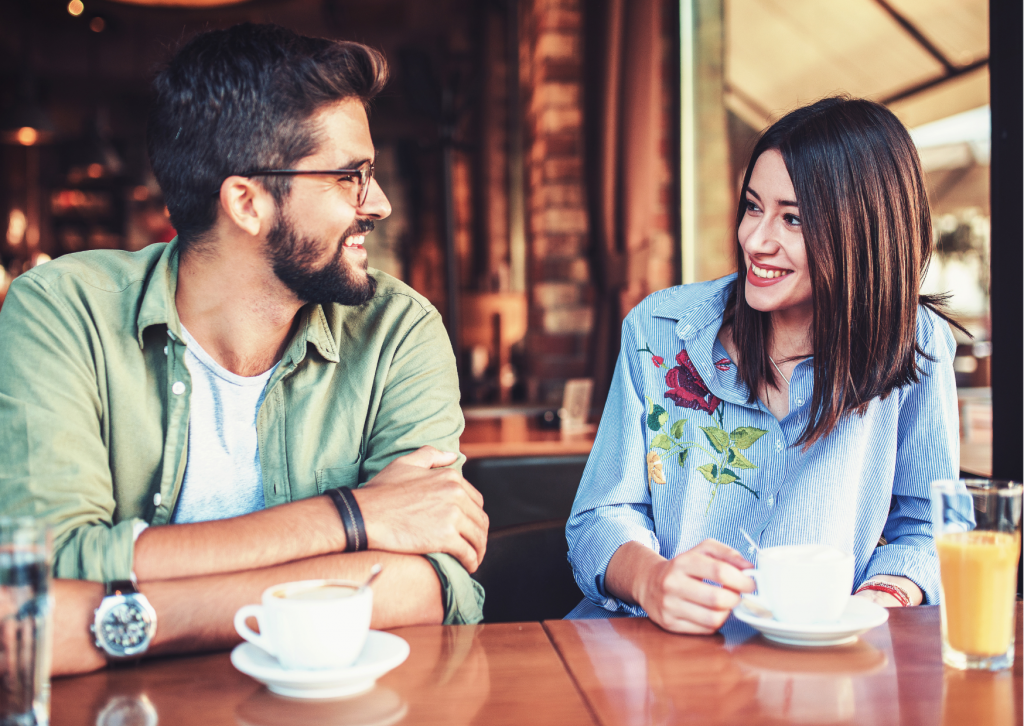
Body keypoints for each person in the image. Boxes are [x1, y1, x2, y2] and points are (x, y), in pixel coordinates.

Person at [0, 24, 487, 675]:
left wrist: (139, 617)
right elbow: (46, 568)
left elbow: (432, 583)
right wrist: (351, 518)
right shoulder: (64, 311)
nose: (379, 203)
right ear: (246, 203)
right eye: (350, 176)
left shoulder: (397, 330)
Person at [566, 96, 963, 633]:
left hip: (820, 665)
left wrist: (878, 598)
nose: (754, 240)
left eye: (792, 219)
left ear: (862, 233)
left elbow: (932, 529)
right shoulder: (658, 329)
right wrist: (651, 580)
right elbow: (597, 519)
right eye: (753, 207)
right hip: (653, 652)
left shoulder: (914, 343)